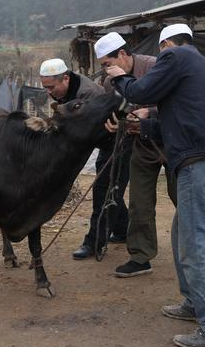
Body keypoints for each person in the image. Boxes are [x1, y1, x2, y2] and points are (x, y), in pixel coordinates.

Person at [105, 24, 205, 347]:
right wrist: (144, 127)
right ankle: (194, 301)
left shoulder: (175, 56)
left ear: (166, 43)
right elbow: (182, 118)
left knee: (195, 245)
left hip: (197, 162)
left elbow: (139, 92)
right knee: (183, 233)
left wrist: (118, 76)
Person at [94, 32, 171, 278]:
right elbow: (118, 111)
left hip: (172, 142)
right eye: (103, 66)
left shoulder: (155, 67)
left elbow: (178, 100)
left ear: (124, 55)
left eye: (108, 64)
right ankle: (140, 256)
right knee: (140, 202)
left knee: (183, 196)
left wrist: (151, 110)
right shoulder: (110, 83)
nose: (106, 70)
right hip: (142, 144)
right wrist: (117, 124)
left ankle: (192, 249)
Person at [38, 58, 129, 260]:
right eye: (46, 88)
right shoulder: (63, 91)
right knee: (111, 187)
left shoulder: (88, 96)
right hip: (101, 141)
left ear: (65, 78)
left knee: (103, 189)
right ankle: (123, 229)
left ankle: (94, 243)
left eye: (51, 87)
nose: (49, 93)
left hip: (116, 141)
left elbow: (83, 135)